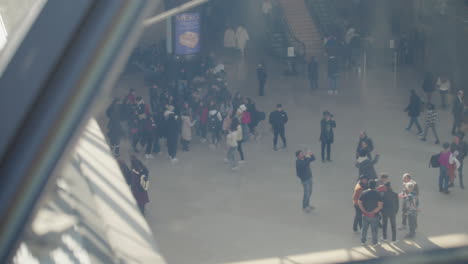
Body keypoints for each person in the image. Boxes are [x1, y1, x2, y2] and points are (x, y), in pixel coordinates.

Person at [358, 180, 383, 245]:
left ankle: (363, 241)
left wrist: (364, 210)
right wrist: (373, 212)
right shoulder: (377, 193)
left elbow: (359, 202)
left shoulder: (364, 192)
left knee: (364, 229)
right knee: (374, 230)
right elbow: (380, 206)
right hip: (374, 216)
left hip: (365, 215)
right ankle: (374, 243)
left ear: (368, 185)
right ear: (375, 186)